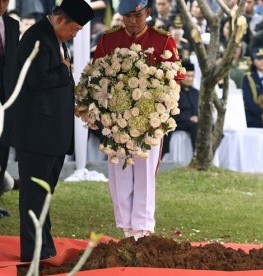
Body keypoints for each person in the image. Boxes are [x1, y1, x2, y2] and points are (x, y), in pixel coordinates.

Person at [93, 0, 183, 240]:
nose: (132, 21)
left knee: (144, 173)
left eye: (137, 15)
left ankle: (142, 229)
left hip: (149, 121)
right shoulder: (108, 40)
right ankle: (125, 228)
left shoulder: (163, 41)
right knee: (118, 172)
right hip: (117, 120)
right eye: (127, 16)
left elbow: (176, 78)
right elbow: (96, 74)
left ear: (148, 13)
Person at [14, 0, 94, 261]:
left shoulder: (56, 38)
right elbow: (36, 79)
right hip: (37, 134)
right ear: (61, 19)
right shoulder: (36, 37)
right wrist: (64, 70)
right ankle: (33, 250)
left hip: (53, 134)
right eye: (74, 29)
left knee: (44, 196)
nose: (74, 34)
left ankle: (44, 246)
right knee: (34, 196)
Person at [0, 0, 19, 220]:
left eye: (5, 0)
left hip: (8, 99)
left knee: (3, 149)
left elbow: (15, 62)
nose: (2, 4)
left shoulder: (13, 25)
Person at [163, 62, 198, 157]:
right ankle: (197, 155)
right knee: (195, 126)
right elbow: (172, 113)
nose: (190, 79)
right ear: (181, 75)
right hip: (179, 121)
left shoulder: (196, 92)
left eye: (192, 76)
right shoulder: (175, 92)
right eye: (188, 76)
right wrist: (189, 118)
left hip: (193, 121)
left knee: (211, 126)